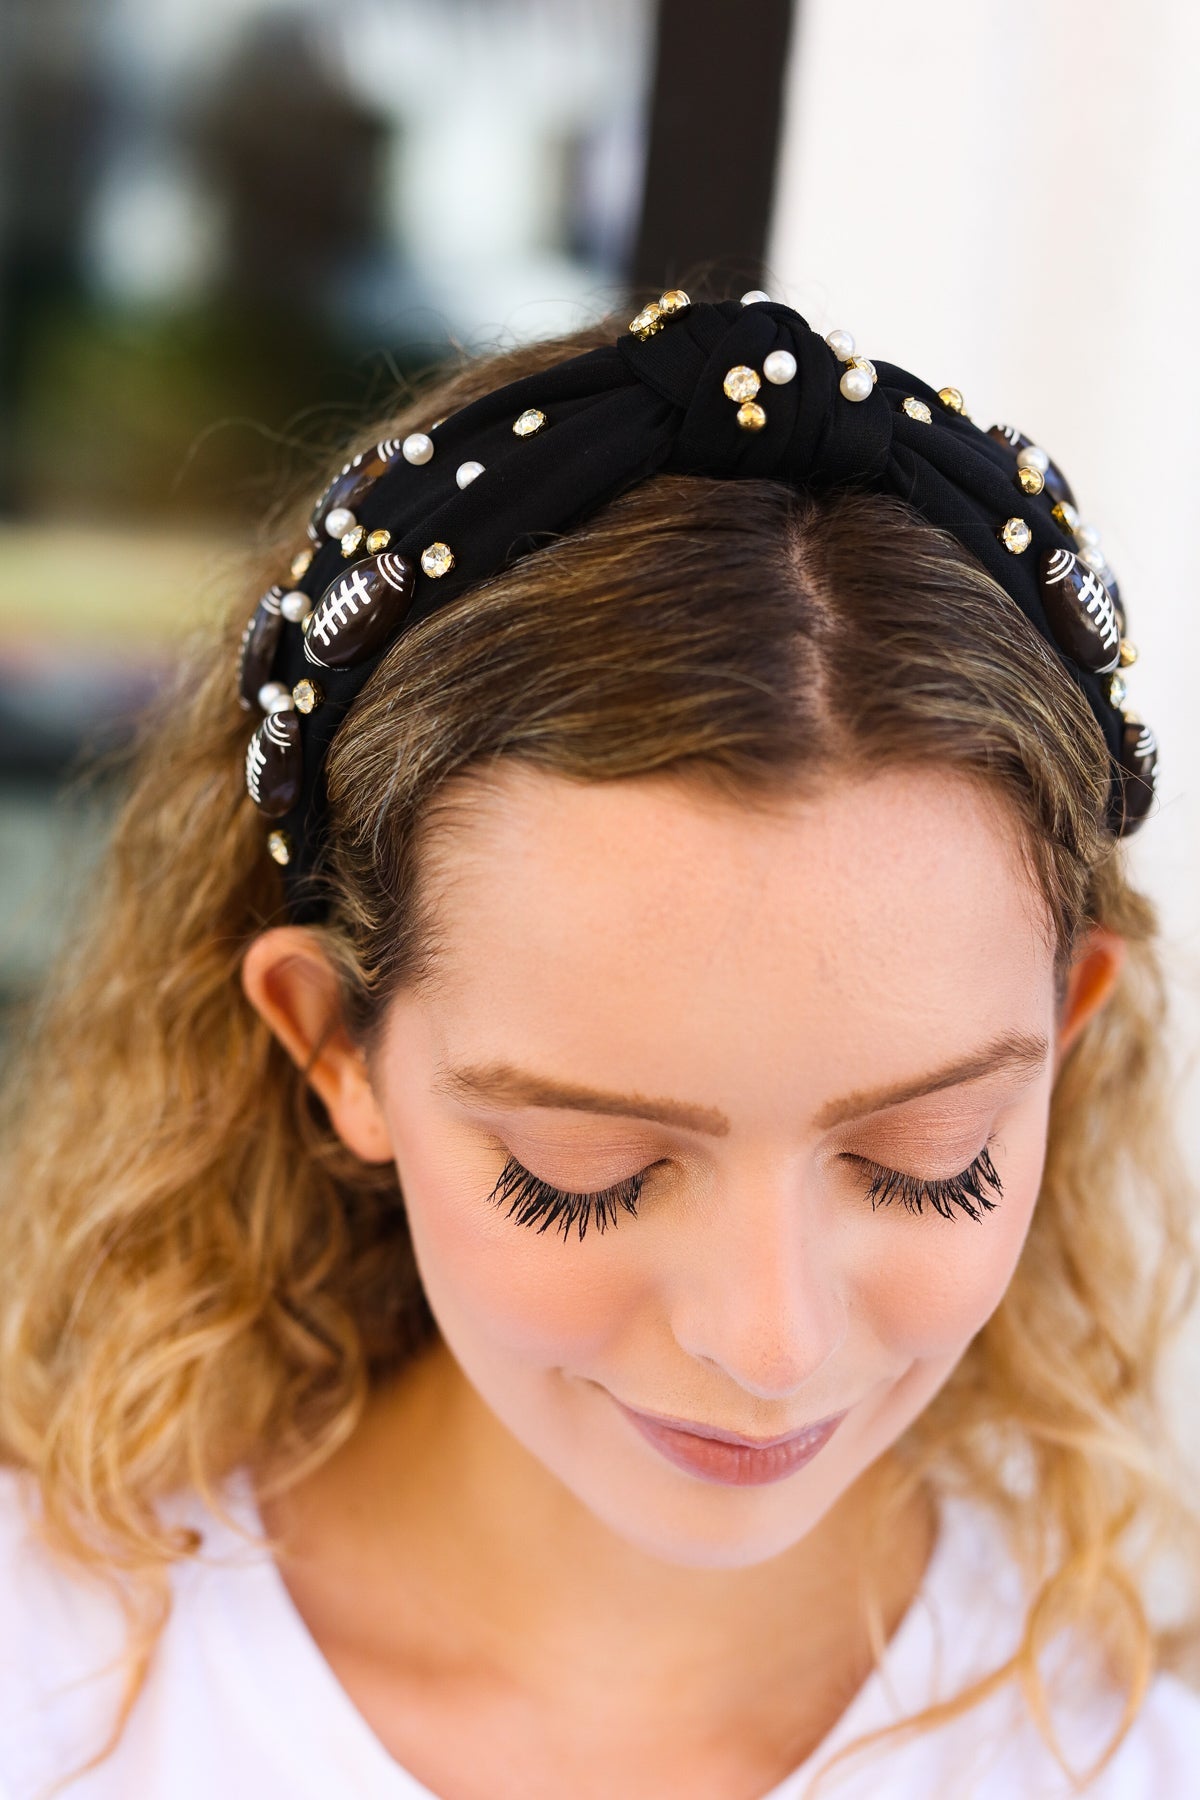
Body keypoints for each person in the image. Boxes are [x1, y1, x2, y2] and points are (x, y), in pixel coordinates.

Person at [0, 288, 1197, 1800]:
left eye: (926, 1163)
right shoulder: (46, 1684)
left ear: (1066, 1034)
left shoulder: (1128, 1737)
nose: (771, 1341)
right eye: (590, 1171)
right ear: (333, 1048)